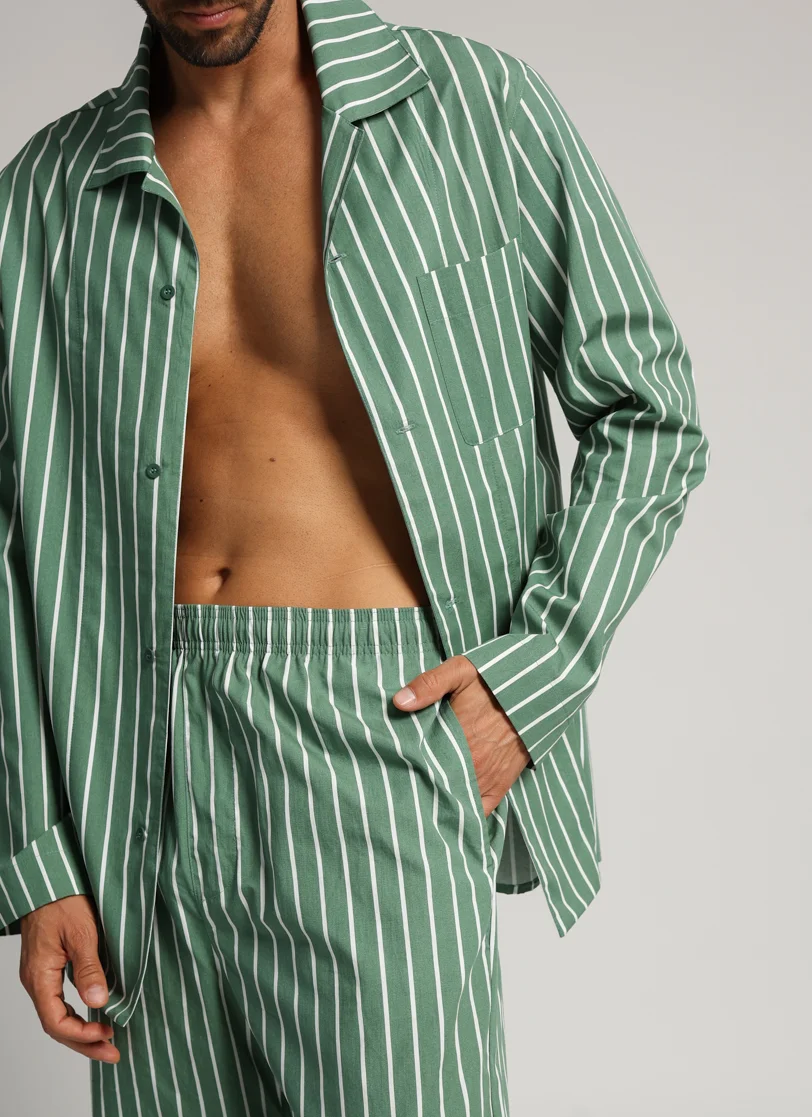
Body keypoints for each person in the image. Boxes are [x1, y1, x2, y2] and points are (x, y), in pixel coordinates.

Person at [0, 0, 710, 1112]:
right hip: (132, 762)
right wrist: (37, 850)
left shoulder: (475, 110)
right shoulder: (47, 191)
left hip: (377, 726)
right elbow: (9, 536)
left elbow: (648, 410)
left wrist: (533, 676)